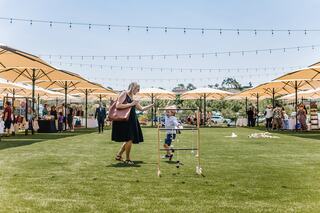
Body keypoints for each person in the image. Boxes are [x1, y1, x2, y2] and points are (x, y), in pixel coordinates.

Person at [112, 82, 154, 165]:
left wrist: (152, 105)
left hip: (132, 120)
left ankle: (119, 155)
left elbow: (141, 109)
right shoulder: (124, 93)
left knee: (129, 139)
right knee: (129, 139)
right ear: (133, 88)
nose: (138, 91)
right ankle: (127, 159)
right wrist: (131, 104)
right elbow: (118, 105)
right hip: (125, 120)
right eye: (137, 89)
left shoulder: (132, 97)